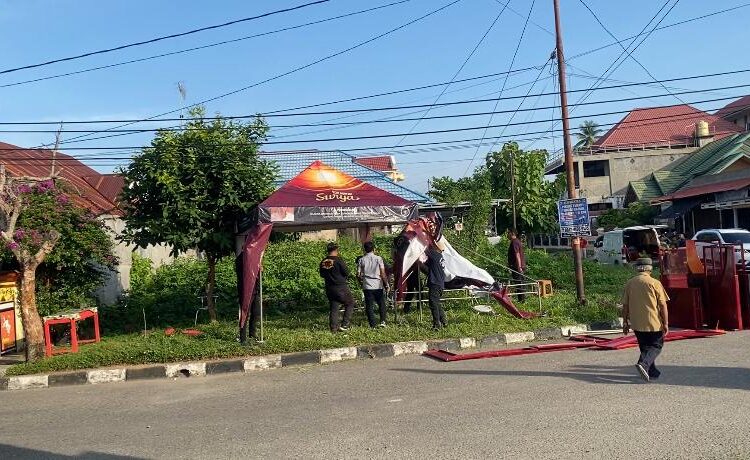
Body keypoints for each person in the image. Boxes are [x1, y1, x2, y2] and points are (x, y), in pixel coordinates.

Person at [622, 257, 670, 382]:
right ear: (650, 269)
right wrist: (666, 323)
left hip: (637, 323)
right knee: (656, 345)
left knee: (645, 347)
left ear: (637, 268)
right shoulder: (654, 283)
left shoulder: (630, 283)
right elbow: (663, 305)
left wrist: (625, 322)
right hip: (653, 322)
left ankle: (652, 371)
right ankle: (643, 364)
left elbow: (625, 305)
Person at [319, 242, 355, 332]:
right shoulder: (338, 260)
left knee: (334, 307)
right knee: (350, 303)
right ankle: (345, 325)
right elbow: (346, 272)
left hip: (329, 287)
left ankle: (333, 328)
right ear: (336, 250)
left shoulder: (324, 261)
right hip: (340, 287)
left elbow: (322, 274)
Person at [357, 241, 390, 328]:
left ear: (364, 250)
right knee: (381, 303)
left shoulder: (361, 260)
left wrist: (361, 282)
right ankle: (383, 321)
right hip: (378, 285)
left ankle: (373, 325)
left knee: (369, 306)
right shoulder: (379, 259)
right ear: (374, 249)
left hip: (367, 285)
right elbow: (383, 273)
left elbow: (358, 274)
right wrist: (386, 285)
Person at [425, 241, 447, 329]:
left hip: (435, 283)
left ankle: (436, 324)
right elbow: (428, 264)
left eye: (434, 246)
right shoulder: (440, 257)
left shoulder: (434, 255)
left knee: (433, 303)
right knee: (437, 303)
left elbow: (424, 249)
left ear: (437, 248)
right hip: (440, 283)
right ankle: (443, 320)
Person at [507, 229, 527, 302]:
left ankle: (522, 300)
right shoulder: (517, 241)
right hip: (518, 266)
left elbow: (517, 254)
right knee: (520, 283)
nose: (507, 234)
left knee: (519, 283)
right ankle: (522, 300)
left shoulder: (514, 242)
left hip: (517, 267)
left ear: (512, 233)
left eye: (508, 233)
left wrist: (519, 267)